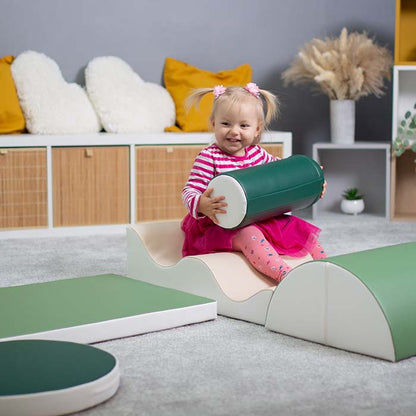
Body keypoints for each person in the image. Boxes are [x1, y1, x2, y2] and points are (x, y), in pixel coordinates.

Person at [181, 83, 326, 283]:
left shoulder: (258, 154)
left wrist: (313, 180)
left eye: (243, 126)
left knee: (298, 229)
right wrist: (202, 204)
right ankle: (286, 276)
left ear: (257, 129)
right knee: (251, 235)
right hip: (222, 224)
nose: (234, 132)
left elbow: (283, 174)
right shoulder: (209, 157)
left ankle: (328, 269)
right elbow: (190, 190)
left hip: (260, 216)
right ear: (213, 123)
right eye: (225, 124)